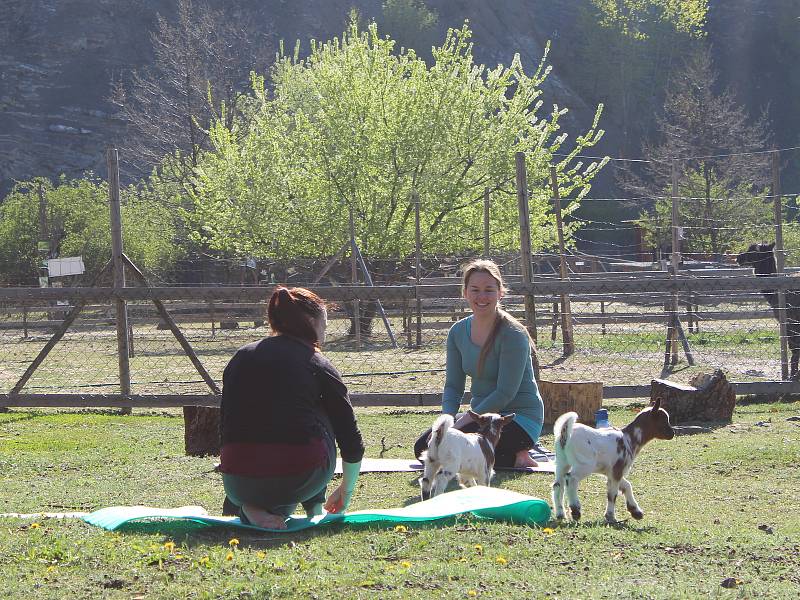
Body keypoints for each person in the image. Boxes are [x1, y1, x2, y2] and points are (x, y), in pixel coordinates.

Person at [219, 286, 364, 529]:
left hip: (236, 482)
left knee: (285, 414)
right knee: (319, 412)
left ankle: (251, 507)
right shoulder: (316, 362)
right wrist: (345, 492)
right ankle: (313, 506)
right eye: (324, 326)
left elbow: (226, 426)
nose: (324, 334)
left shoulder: (241, 356)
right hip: (299, 476)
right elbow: (350, 436)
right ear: (309, 321)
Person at [414, 259, 544, 469]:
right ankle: (510, 456)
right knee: (424, 447)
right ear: (465, 292)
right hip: (480, 417)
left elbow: (504, 394)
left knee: (452, 452)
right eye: (474, 290)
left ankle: (518, 454)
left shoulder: (513, 334)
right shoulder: (457, 332)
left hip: (516, 420)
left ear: (500, 292)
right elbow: (453, 386)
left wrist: (461, 424)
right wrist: (447, 423)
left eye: (488, 290)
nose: (481, 297)